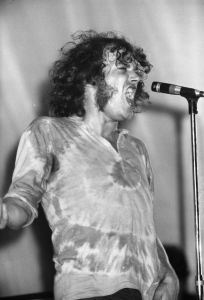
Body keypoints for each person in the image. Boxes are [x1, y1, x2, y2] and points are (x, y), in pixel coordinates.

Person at [0, 30, 179, 300]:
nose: (136, 77)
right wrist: (4, 213)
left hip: (146, 291)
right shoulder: (49, 132)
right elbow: (22, 203)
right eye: (122, 68)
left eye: (137, 72)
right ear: (88, 80)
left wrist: (168, 272)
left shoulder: (136, 148)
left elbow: (145, 227)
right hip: (90, 290)